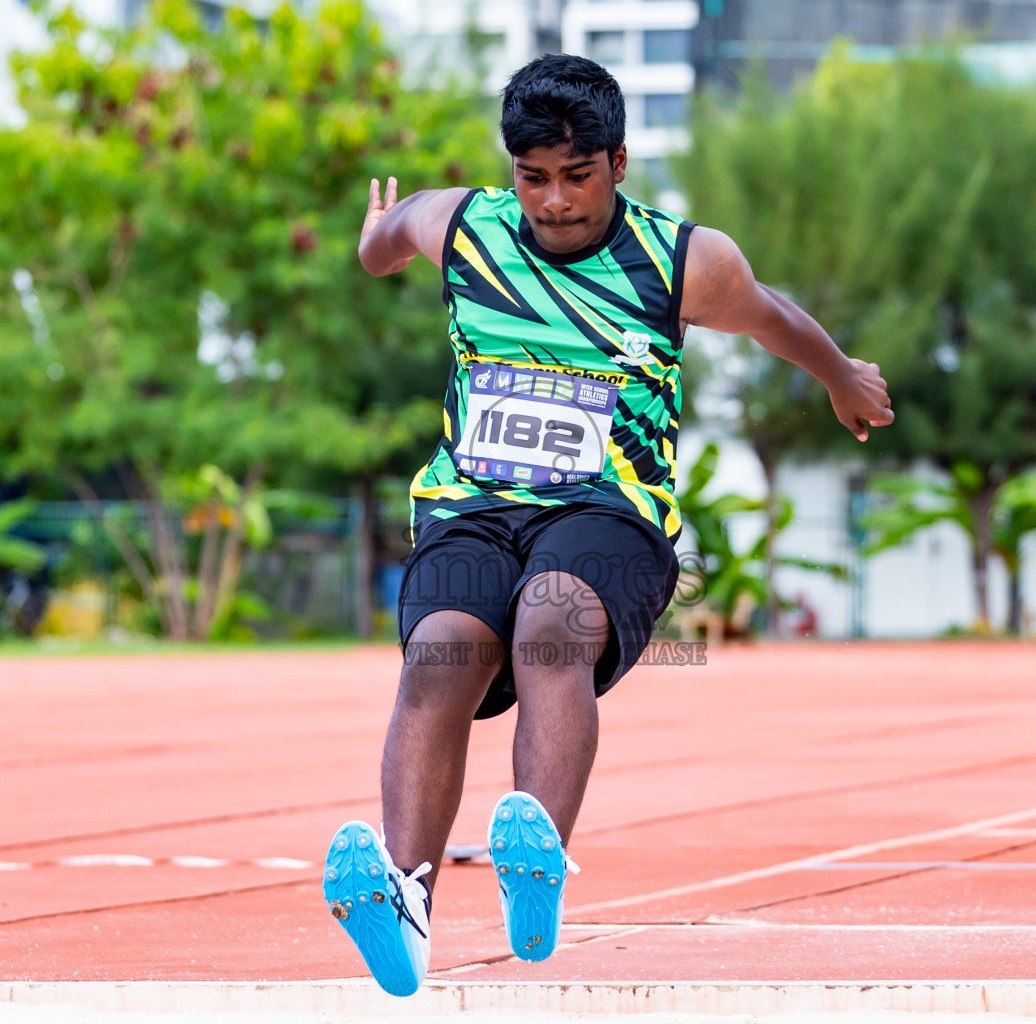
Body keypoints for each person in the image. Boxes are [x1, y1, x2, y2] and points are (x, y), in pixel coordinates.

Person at [322, 55, 892, 995]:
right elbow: (386, 245)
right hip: (472, 504)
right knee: (443, 651)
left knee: (550, 621)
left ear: (618, 163)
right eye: (532, 177)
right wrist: (376, 236)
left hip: (611, 513)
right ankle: (407, 901)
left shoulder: (681, 260)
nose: (552, 201)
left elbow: (767, 317)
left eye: (576, 177)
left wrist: (836, 373)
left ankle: (533, 862)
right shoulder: (464, 226)